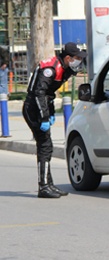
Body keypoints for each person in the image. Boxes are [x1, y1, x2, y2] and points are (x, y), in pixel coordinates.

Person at [22, 42, 87, 198]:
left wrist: (50, 113)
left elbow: (49, 95)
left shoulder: (64, 68)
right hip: (33, 109)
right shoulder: (50, 70)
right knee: (45, 146)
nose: (78, 61)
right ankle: (43, 186)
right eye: (76, 58)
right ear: (67, 58)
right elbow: (39, 94)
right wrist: (44, 117)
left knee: (47, 146)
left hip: (41, 107)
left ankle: (48, 184)